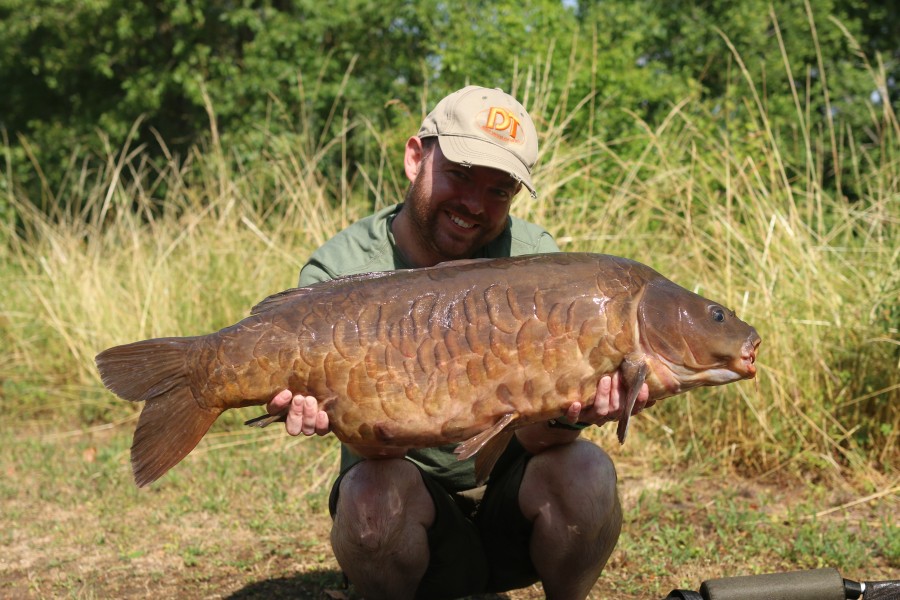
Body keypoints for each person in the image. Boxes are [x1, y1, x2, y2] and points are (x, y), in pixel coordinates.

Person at [266, 85, 652, 600]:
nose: (474, 204)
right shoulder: (342, 271)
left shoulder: (537, 263)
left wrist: (570, 413)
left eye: (499, 190)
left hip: (508, 512)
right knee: (370, 497)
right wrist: (327, 412)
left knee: (587, 471)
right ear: (415, 158)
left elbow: (540, 442)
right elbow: (369, 445)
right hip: (407, 508)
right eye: (461, 175)